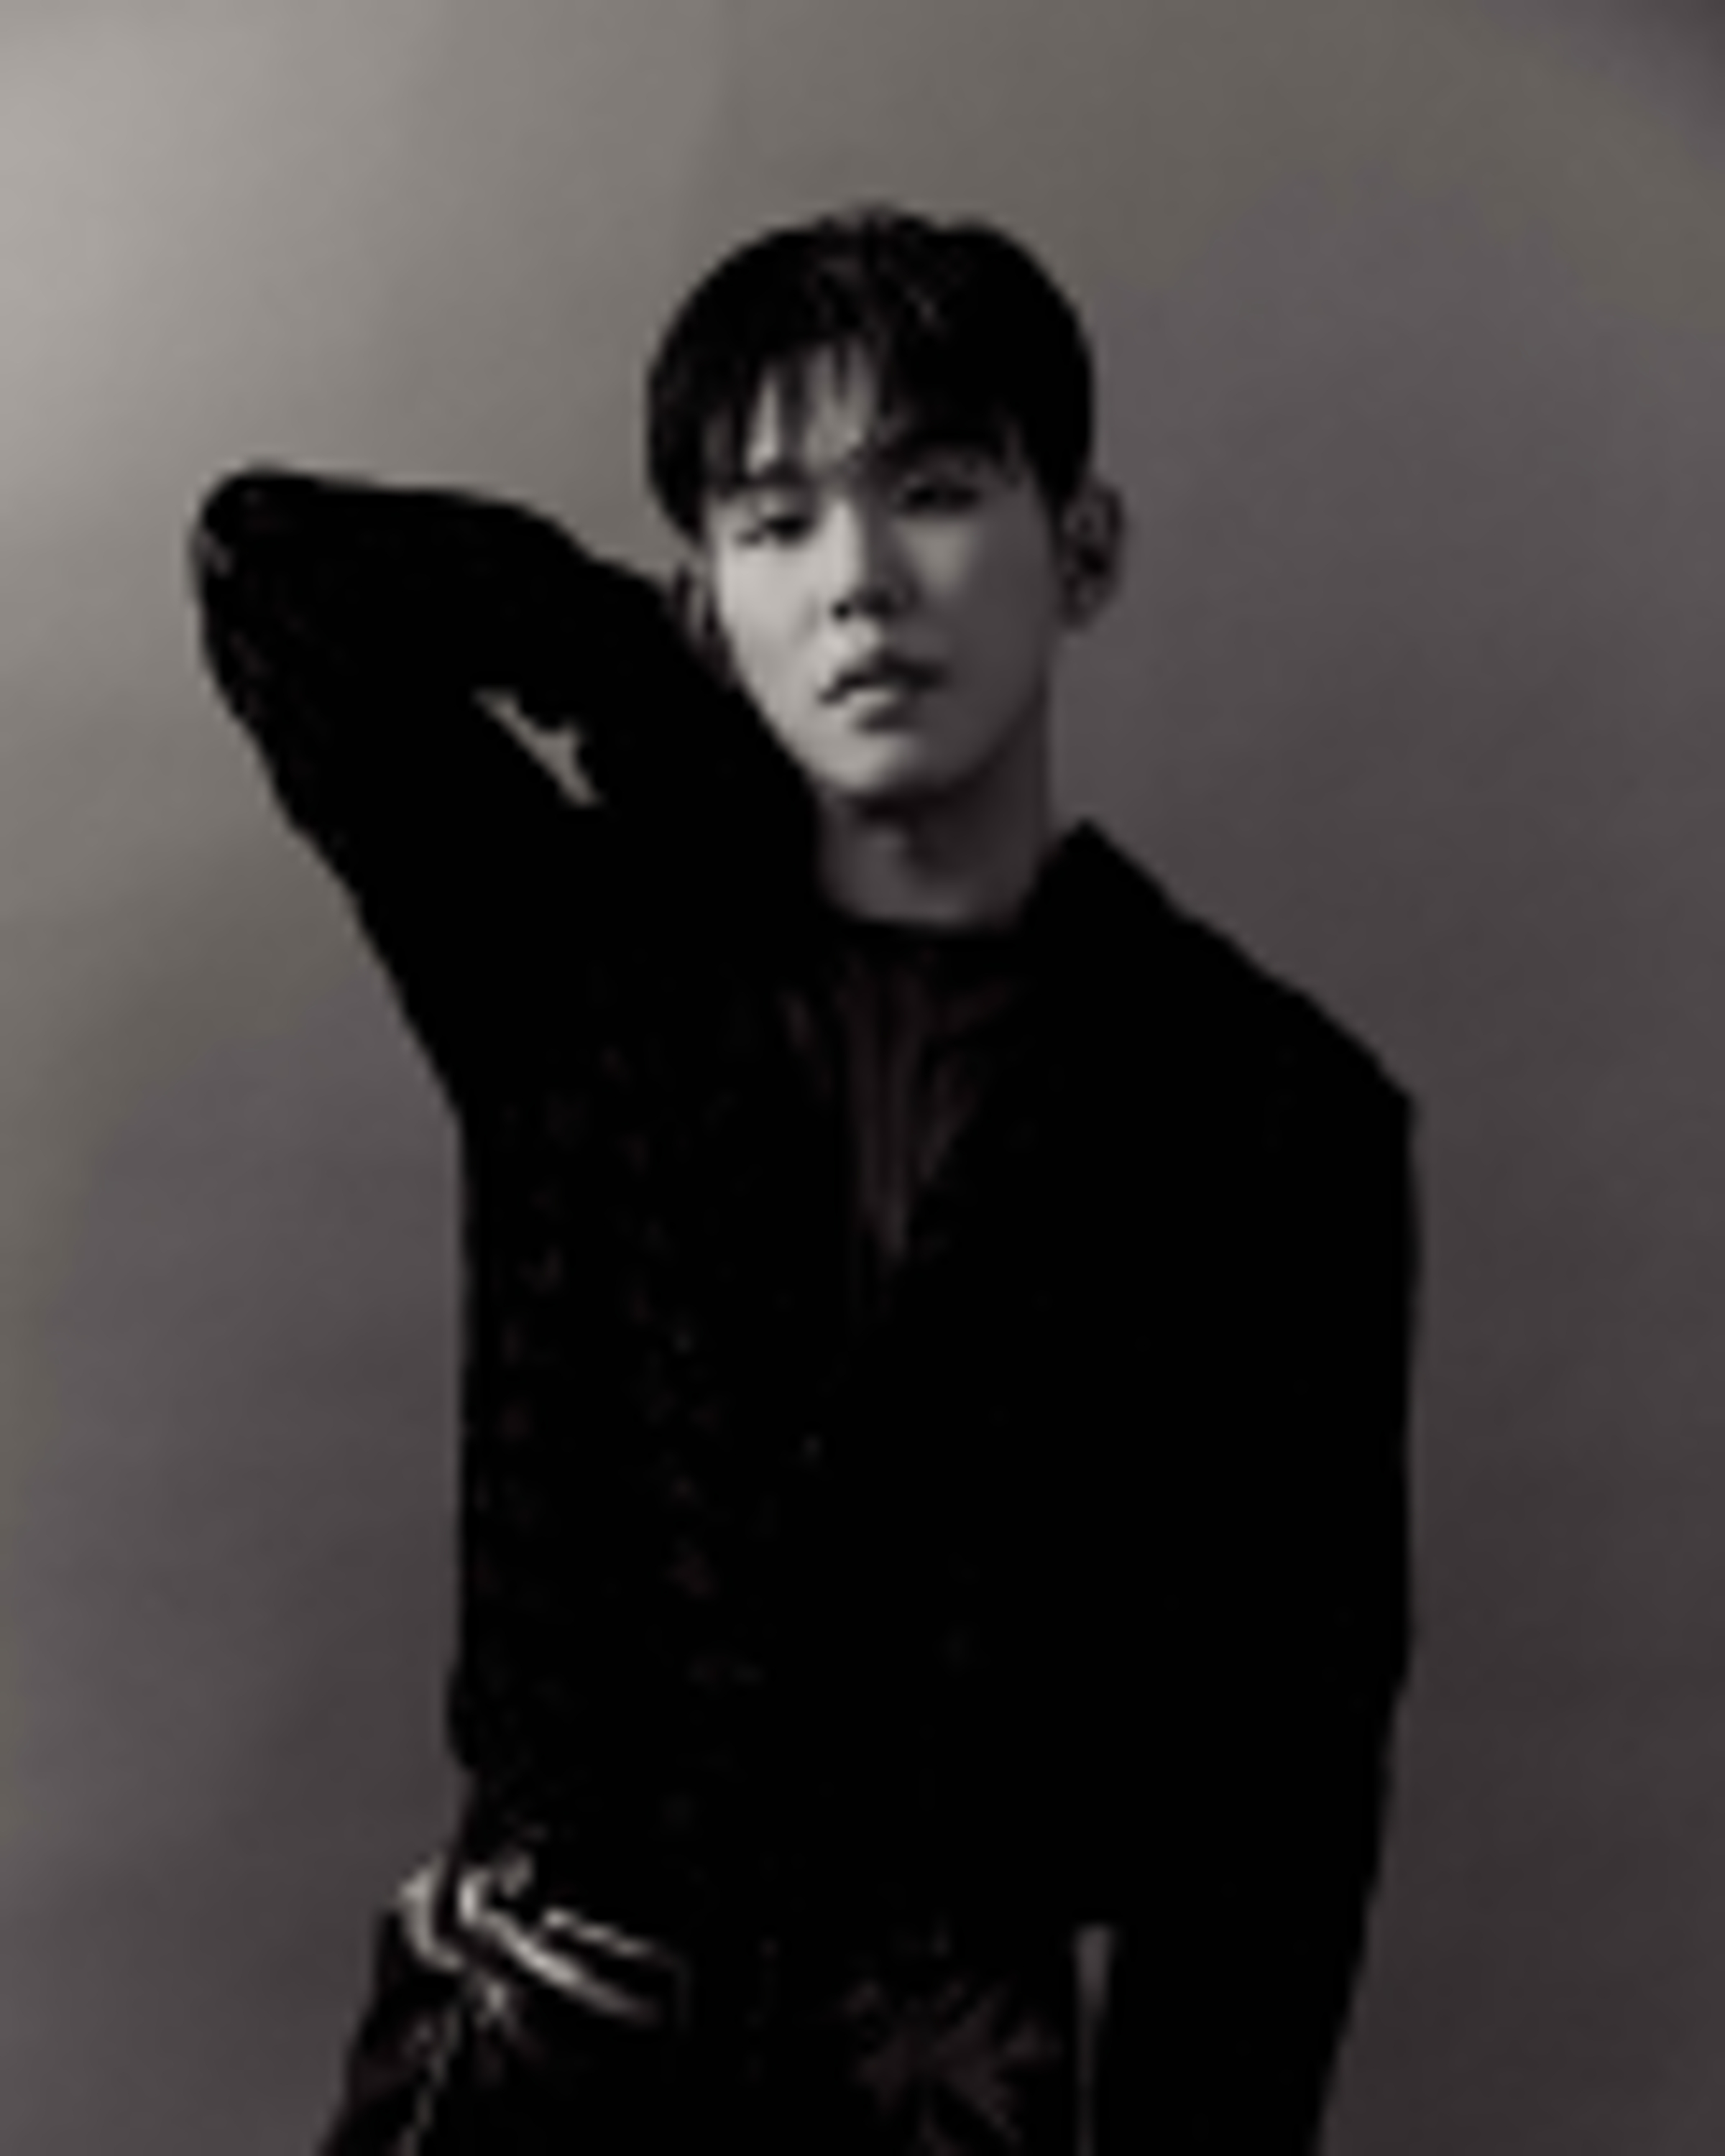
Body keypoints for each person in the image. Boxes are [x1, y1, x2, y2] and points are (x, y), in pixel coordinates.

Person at [190, 203, 1420, 2155]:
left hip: (943, 2085)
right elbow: (278, 570)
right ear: (707, 600)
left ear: (1083, 547)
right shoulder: (581, 976)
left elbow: (1280, 1797)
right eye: (777, 524)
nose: (858, 586)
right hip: (534, 2069)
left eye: (931, 493)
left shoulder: (1270, 1110)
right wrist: (677, 717)